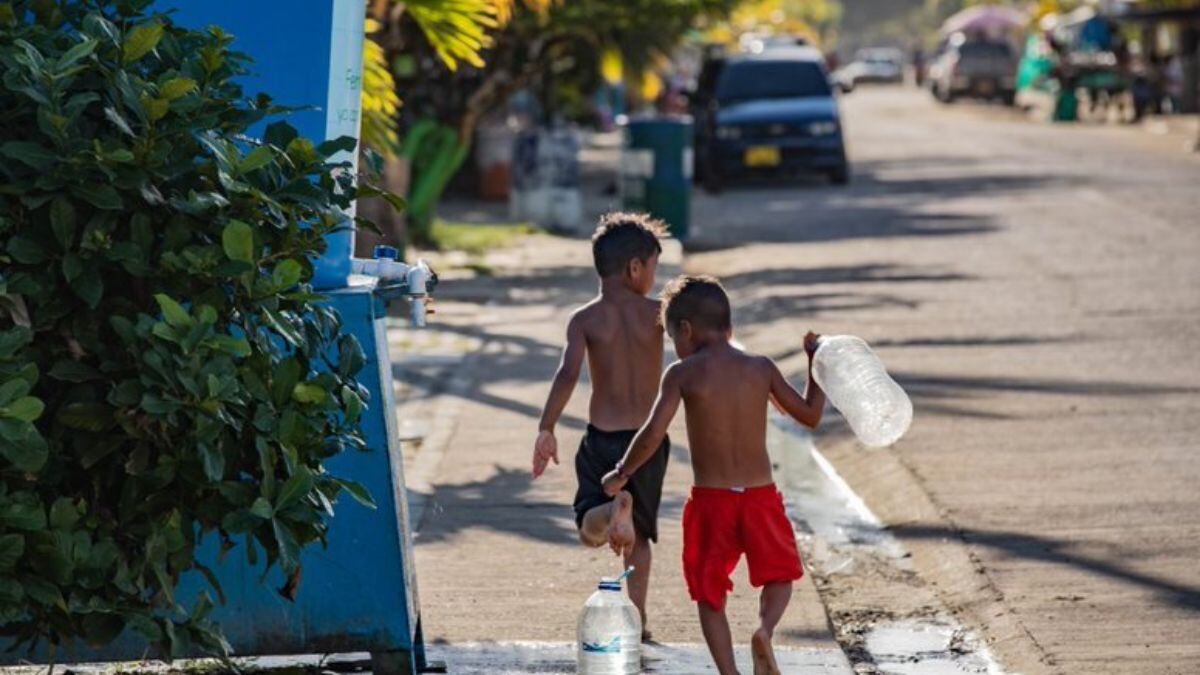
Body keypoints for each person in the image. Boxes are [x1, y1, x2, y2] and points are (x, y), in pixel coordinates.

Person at [601, 275, 825, 675]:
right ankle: (765, 631)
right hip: (760, 497)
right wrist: (815, 364)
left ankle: (730, 673)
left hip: (712, 503)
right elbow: (809, 415)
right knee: (779, 576)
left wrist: (621, 472)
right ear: (729, 326)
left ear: (685, 330)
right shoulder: (761, 368)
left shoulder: (683, 374)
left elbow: (653, 433)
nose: (676, 348)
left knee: (709, 595)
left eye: (674, 339)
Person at [532, 211, 669, 638]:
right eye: (653, 268)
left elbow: (567, 375)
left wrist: (546, 427)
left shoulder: (585, 319)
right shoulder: (659, 314)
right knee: (640, 540)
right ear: (635, 268)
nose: (653, 277)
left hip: (603, 441)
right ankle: (638, 619)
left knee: (588, 526)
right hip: (647, 443)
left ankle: (611, 509)